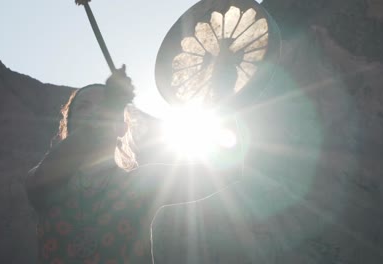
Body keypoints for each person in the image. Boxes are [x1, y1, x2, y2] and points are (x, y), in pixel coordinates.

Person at [25, 66, 240, 263]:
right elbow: (44, 180)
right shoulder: (43, 175)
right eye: (84, 107)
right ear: (68, 126)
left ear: (121, 128)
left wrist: (223, 90)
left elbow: (222, 168)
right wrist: (109, 108)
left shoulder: (140, 182)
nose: (95, 113)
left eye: (104, 105)